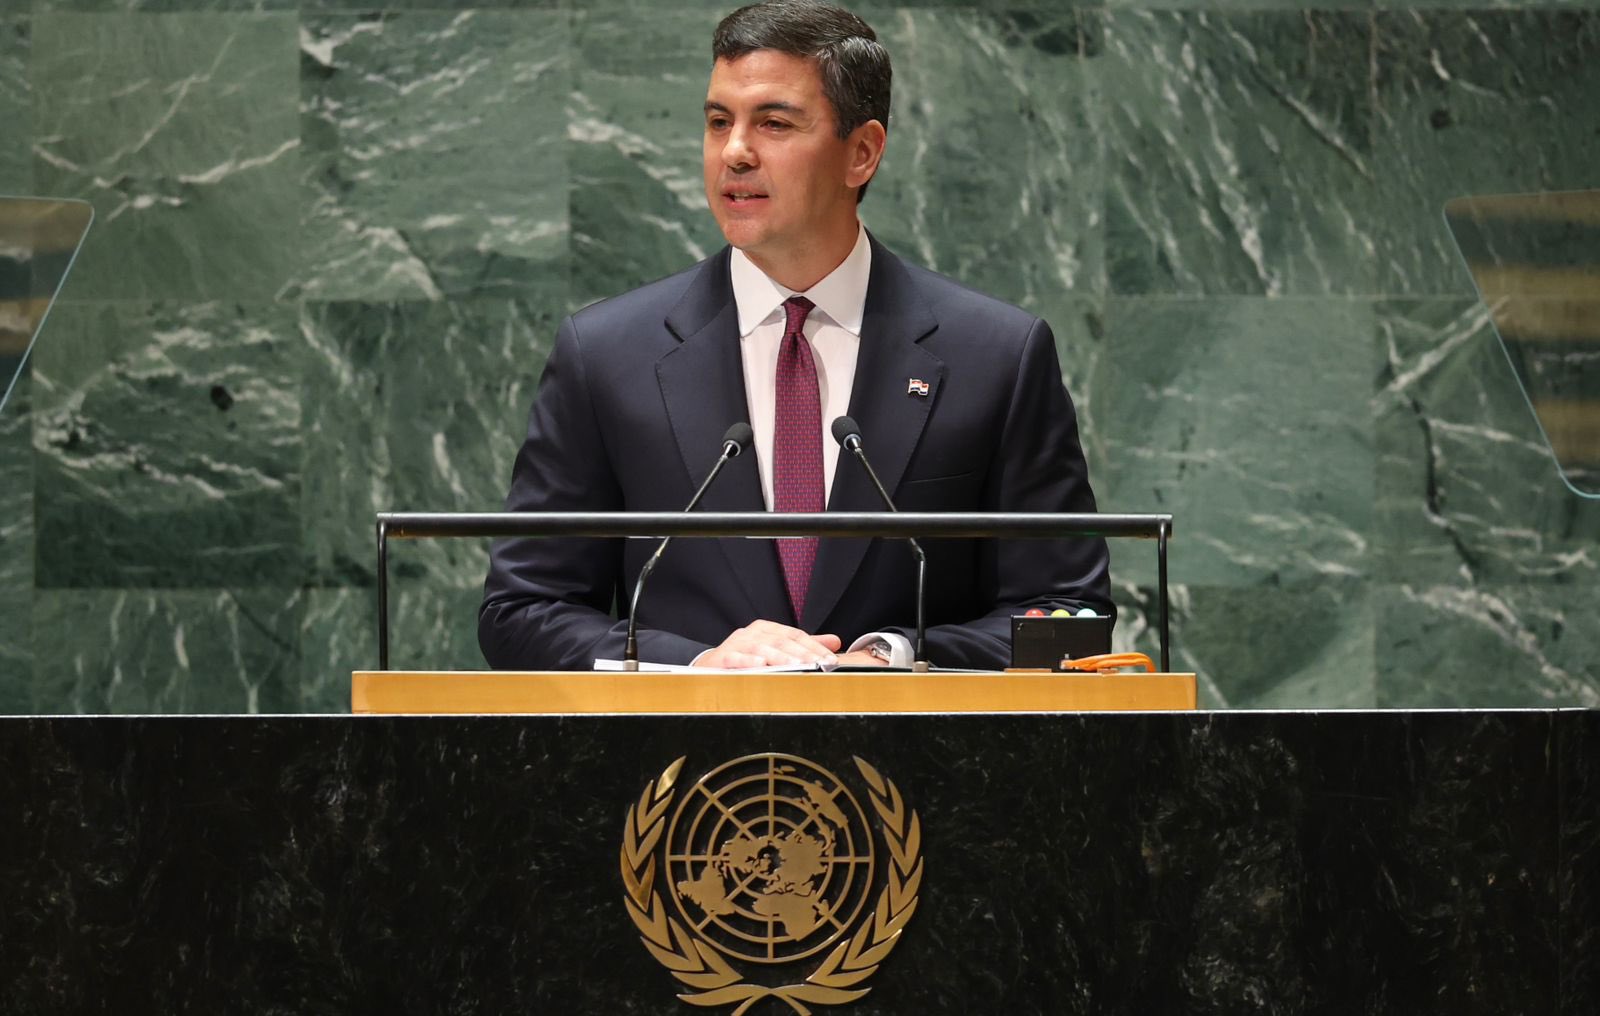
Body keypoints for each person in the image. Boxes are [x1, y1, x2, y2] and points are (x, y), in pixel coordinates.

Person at [479, 0, 1111, 672]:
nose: (735, 152)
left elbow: (1070, 615)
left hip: (923, 767)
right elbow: (523, 610)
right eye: (719, 122)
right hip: (678, 770)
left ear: (861, 153)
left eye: (774, 123)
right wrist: (696, 663)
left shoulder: (996, 358)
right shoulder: (606, 355)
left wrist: (894, 656)